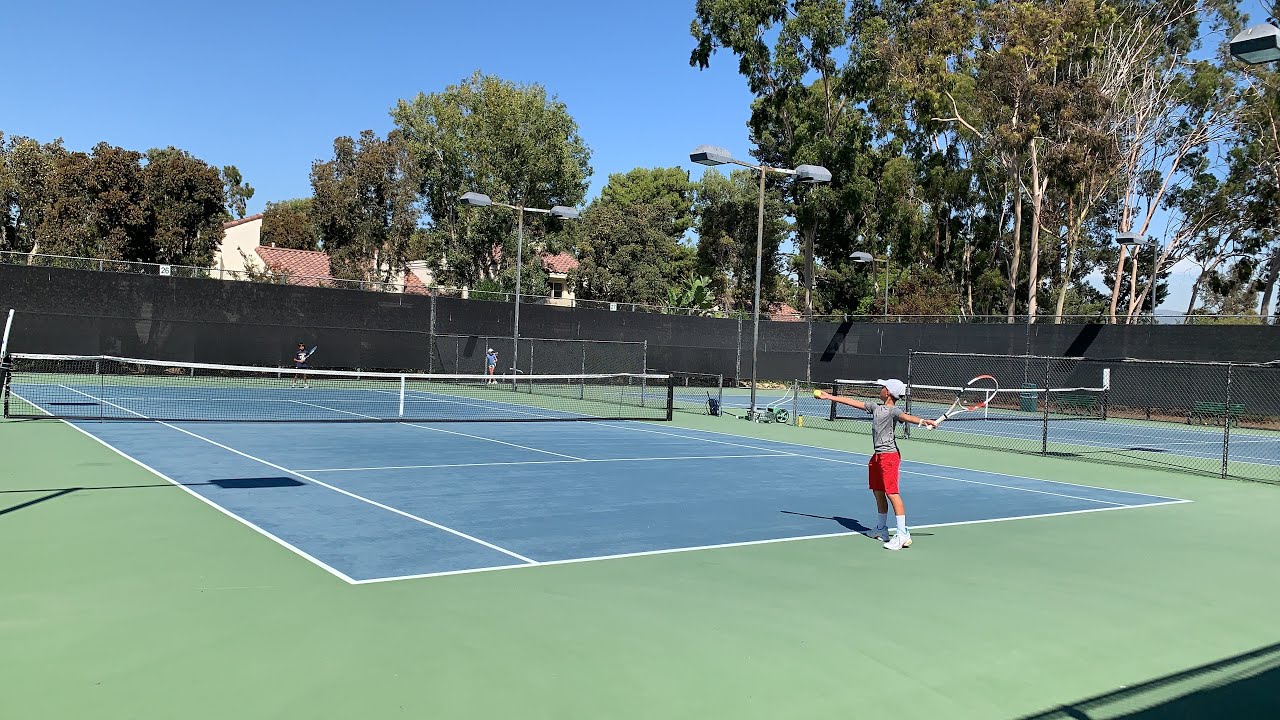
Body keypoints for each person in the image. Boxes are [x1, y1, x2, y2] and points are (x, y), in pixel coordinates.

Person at [815, 379, 937, 550]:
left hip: (889, 456)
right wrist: (829, 397)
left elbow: (906, 417)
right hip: (877, 456)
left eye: (883, 387)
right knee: (878, 491)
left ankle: (902, 534)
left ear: (888, 392)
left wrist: (923, 422)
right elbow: (852, 402)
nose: (880, 389)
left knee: (892, 493)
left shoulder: (893, 411)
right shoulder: (875, 407)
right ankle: (881, 529)